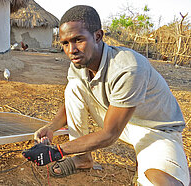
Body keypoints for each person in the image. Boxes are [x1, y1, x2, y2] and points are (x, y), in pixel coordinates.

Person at [22, 5, 190, 186]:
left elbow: (110, 135)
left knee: (158, 182)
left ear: (98, 36)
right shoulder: (79, 64)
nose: (71, 50)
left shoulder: (128, 68)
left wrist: (56, 151)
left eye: (78, 40)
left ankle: (176, 166)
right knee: (74, 87)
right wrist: (52, 127)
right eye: (65, 43)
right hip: (116, 117)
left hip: (154, 129)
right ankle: (82, 159)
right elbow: (74, 98)